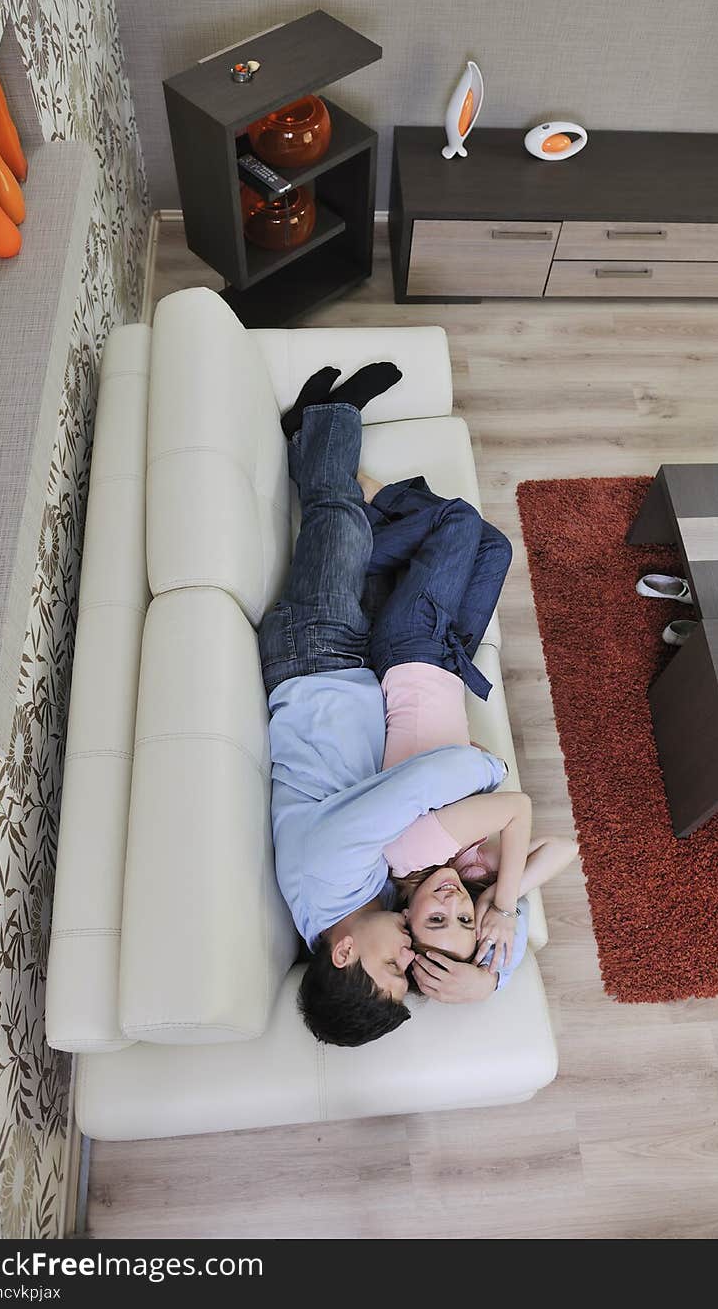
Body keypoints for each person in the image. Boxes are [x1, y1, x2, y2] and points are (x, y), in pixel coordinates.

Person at [260, 367, 509, 1048]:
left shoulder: (330, 872)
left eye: (392, 966)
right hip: (359, 668)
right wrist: (491, 979)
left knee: (337, 521)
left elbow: (421, 787)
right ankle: (314, 434)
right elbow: (472, 914)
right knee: (415, 548)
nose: (408, 951)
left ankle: (330, 418)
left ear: (343, 954)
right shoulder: (358, 905)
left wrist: (486, 773)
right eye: (412, 968)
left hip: (315, 659)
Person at [359, 473, 579, 1004]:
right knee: (494, 547)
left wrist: (498, 909)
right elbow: (563, 849)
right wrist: (492, 911)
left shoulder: (412, 852)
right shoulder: (456, 865)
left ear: (406, 923)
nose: (453, 900)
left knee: (458, 521)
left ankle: (355, 527)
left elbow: (518, 806)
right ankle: (379, 537)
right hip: (449, 663)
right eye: (461, 915)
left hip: (409, 654)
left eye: (439, 918)